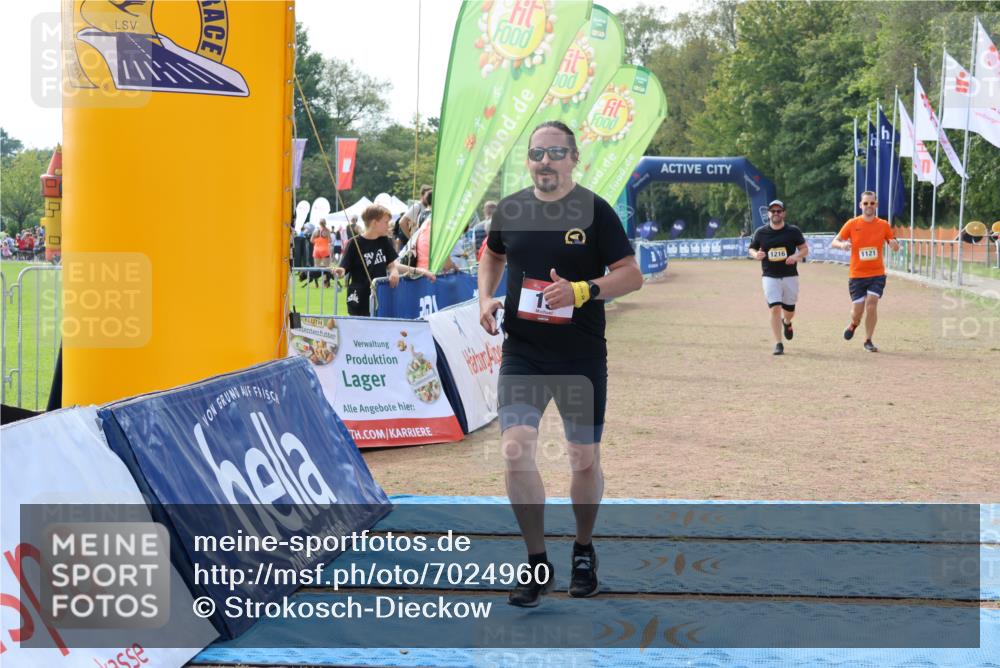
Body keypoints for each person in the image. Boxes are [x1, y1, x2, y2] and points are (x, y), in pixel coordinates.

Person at [477, 120, 643, 607]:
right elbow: (492, 255)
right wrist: (485, 297)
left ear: (574, 159)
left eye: (555, 153)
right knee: (515, 450)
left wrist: (583, 290)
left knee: (583, 459)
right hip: (523, 353)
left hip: (579, 355)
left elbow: (631, 275)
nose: (544, 161)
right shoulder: (510, 210)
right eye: (536, 153)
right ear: (528, 161)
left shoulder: (595, 211)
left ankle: (583, 550)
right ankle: (536, 561)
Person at [334, 204, 435, 317]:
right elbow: (343, 267)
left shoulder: (384, 241)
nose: (389, 226)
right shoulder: (354, 243)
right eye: (386, 222)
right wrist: (340, 271)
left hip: (380, 297)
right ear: (374, 223)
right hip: (359, 299)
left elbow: (392, 265)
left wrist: (395, 272)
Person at [831, 191, 900, 352]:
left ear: (876, 205)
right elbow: (835, 241)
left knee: (871, 304)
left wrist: (894, 245)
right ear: (860, 205)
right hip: (857, 275)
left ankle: (868, 340)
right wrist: (842, 245)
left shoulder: (883, 224)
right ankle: (854, 323)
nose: (869, 206)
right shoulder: (852, 223)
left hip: (877, 274)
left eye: (872, 203)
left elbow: (894, 243)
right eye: (866, 203)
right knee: (857, 311)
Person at [747, 199, 809, 356]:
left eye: (779, 211)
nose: (776, 213)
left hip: (790, 276)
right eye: (773, 211)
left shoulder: (793, 231)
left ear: (784, 213)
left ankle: (787, 322)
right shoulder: (761, 232)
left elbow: (804, 249)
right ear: (768, 214)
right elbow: (751, 249)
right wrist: (756, 254)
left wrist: (796, 256)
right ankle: (778, 343)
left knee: (789, 310)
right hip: (770, 276)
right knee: (774, 308)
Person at [311, 219, 334, 288]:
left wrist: (317, 242)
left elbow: (311, 240)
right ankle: (325, 284)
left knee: (316, 267)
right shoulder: (327, 231)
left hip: (316, 250)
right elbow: (330, 240)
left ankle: (316, 284)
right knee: (326, 268)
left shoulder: (315, 230)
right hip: (324, 250)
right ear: (325, 223)